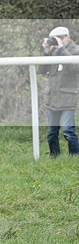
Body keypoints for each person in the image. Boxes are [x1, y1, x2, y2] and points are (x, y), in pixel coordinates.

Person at [40, 26, 79, 157]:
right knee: (52, 132)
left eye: (61, 38)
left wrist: (62, 48)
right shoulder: (52, 52)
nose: (58, 41)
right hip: (52, 98)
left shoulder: (76, 50)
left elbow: (74, 66)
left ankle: (74, 157)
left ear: (67, 36)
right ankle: (54, 157)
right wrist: (46, 51)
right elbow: (41, 70)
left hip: (68, 98)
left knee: (68, 130)